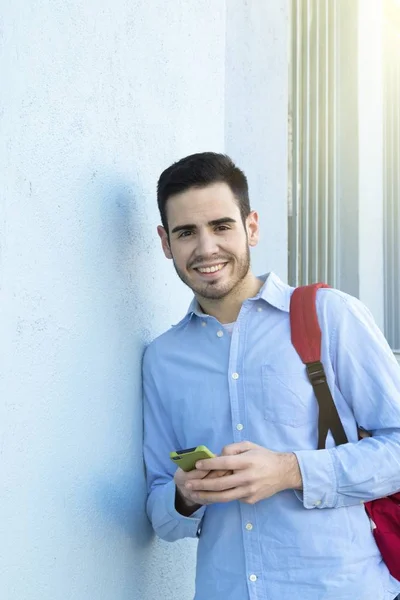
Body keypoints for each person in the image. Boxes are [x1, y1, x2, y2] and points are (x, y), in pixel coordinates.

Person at [142, 152, 400, 600]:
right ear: (166, 243)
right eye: (187, 233)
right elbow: (160, 514)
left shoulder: (330, 315)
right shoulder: (163, 359)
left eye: (221, 226)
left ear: (252, 228)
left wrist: (290, 471)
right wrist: (185, 496)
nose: (206, 249)